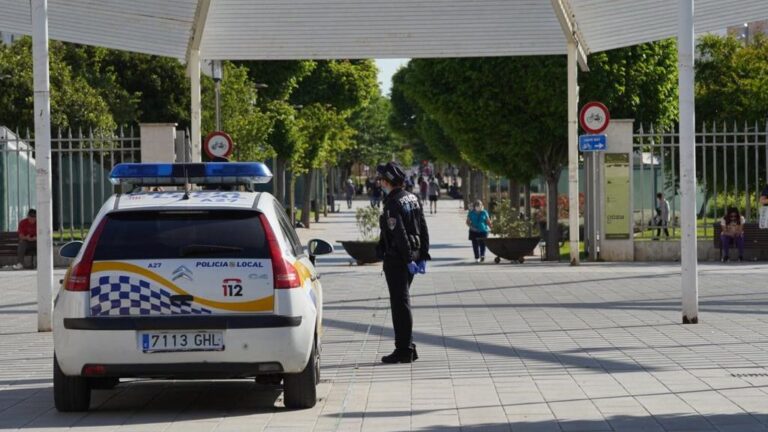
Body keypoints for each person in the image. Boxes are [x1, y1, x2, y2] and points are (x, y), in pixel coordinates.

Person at [375, 162, 430, 364]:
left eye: (381, 179)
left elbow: (399, 234)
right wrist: (422, 255)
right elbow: (423, 228)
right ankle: (408, 347)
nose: (379, 183)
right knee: (403, 302)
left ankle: (404, 349)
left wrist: (407, 259)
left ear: (387, 181)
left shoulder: (393, 202)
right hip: (412, 255)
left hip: (398, 259)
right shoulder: (412, 198)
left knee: (400, 305)